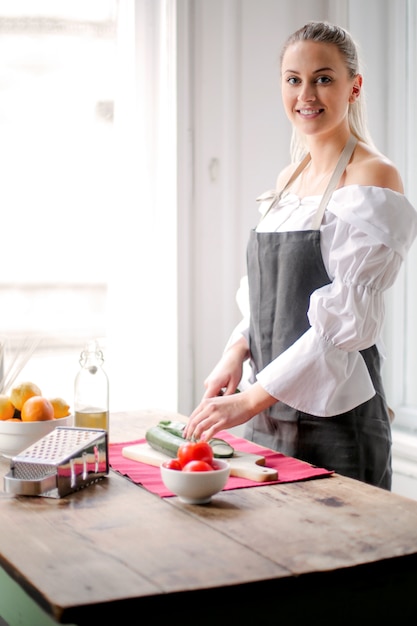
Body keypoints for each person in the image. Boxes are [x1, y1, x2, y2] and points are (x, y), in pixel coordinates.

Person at [184, 21, 417, 490]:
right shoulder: (289, 179)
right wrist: (236, 351)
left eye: (323, 78)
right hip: (268, 418)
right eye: (294, 79)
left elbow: (345, 323)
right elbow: (264, 295)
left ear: (354, 86)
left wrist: (248, 400)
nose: (306, 94)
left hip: (337, 423)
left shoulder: (374, 176)